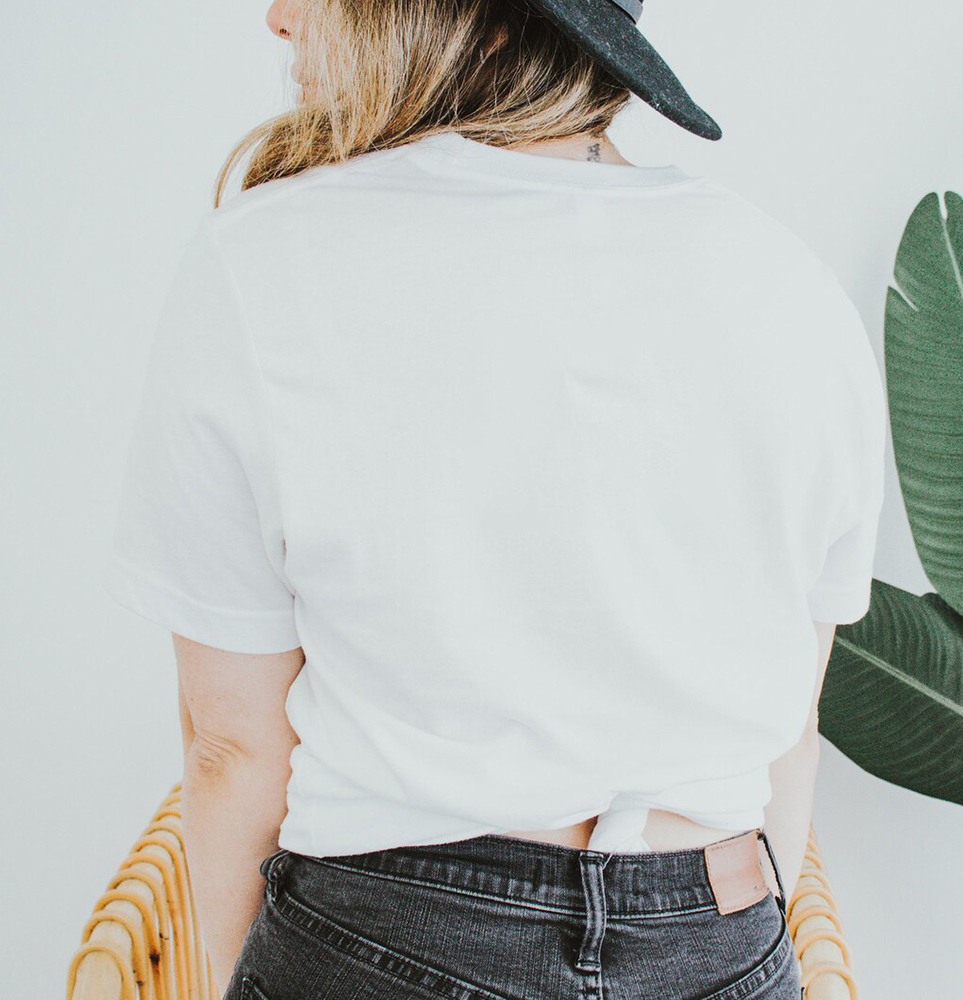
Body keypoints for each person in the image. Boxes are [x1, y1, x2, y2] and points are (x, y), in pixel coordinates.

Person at [102, 0, 886, 998]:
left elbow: (232, 748)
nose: (279, 16)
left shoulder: (260, 257)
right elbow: (788, 734)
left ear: (479, 19)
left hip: (383, 934)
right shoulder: (792, 286)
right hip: (720, 928)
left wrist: (244, 978)